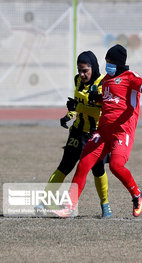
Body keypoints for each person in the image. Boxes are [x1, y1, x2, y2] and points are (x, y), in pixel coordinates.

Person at [54, 44, 142, 218]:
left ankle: (137, 195)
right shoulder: (107, 79)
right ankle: (69, 206)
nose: (107, 65)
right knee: (83, 164)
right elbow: (108, 100)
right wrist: (97, 97)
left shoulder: (130, 76)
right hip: (102, 131)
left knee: (116, 166)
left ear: (118, 62)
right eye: (106, 61)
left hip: (122, 132)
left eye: (110, 62)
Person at [35, 51, 112, 218]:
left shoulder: (103, 84)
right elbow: (77, 105)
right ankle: (45, 201)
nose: (82, 74)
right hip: (77, 132)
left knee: (98, 170)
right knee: (64, 165)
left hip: (96, 135)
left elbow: (101, 111)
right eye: (79, 70)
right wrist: (69, 115)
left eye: (85, 70)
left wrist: (78, 107)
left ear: (94, 67)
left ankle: (105, 205)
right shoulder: (77, 81)